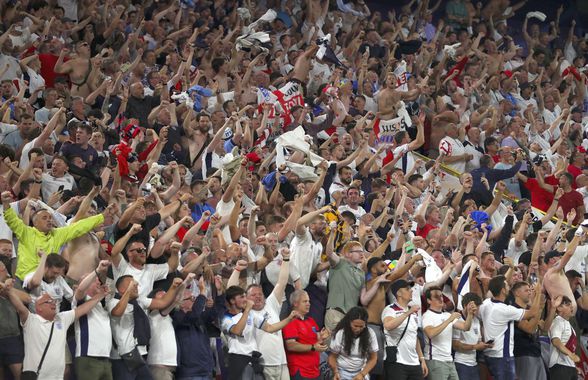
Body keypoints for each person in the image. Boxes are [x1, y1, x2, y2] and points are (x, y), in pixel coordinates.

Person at [6, 279, 107, 378]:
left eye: (53, 301)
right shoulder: (31, 320)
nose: (53, 303)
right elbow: (19, 307)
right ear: (38, 308)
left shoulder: (62, 318)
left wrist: (100, 296)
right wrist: (9, 291)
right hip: (37, 376)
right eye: (48, 301)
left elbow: (83, 309)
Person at [222, 285, 300, 380]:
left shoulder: (250, 315)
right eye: (242, 297)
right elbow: (237, 331)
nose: (245, 299)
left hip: (253, 361)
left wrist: (289, 319)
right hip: (238, 361)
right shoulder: (226, 318)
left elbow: (269, 328)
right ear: (232, 301)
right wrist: (247, 310)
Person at [480, 275, 543, 380]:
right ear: (503, 290)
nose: (509, 286)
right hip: (503, 356)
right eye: (506, 285)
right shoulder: (505, 310)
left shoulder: (486, 303)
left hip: (490, 354)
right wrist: (538, 294)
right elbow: (533, 313)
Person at [422, 286, 476, 380]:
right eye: (436, 296)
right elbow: (430, 333)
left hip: (449, 360)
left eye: (441, 296)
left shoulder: (446, 315)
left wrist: (470, 314)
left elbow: (465, 327)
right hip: (435, 360)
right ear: (429, 301)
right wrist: (449, 320)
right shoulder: (427, 316)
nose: (440, 298)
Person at [382, 280, 427, 380]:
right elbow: (388, 326)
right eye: (407, 289)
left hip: (414, 362)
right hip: (397, 362)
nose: (411, 291)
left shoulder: (413, 312)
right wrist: (407, 313)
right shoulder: (390, 309)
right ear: (398, 293)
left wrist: (422, 359)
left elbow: (414, 337)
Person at [283, 289, 331, 380]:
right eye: (305, 301)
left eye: (309, 301)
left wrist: (322, 338)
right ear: (295, 303)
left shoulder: (311, 321)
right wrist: (313, 347)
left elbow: (317, 344)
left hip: (315, 371)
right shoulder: (290, 321)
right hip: (300, 372)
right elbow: (291, 345)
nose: (308, 304)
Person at [328, 306, 378, 380]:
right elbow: (332, 357)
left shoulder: (370, 334)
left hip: (361, 370)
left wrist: (362, 374)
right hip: (341, 370)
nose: (358, 329)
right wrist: (336, 372)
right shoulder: (341, 333)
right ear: (349, 322)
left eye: (361, 326)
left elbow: (373, 358)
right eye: (355, 326)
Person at [548, 296, 580, 380]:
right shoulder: (558, 321)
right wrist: (571, 355)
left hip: (569, 366)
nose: (571, 307)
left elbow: (569, 346)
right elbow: (556, 341)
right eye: (568, 305)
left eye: (571, 305)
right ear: (559, 307)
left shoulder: (569, 325)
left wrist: (573, 365)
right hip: (560, 366)